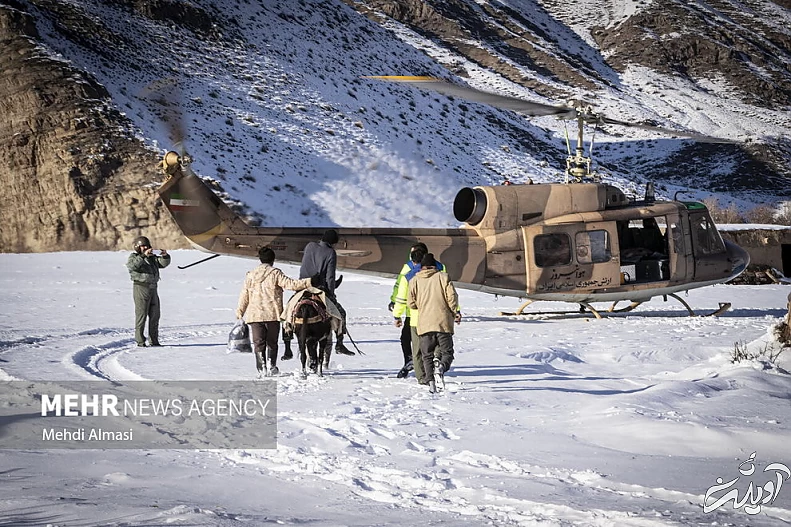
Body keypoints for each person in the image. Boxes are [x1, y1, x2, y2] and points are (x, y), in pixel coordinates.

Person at [236, 247, 314, 376]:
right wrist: (309, 282)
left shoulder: (250, 275)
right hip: (273, 314)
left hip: (255, 315)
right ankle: (272, 365)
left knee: (258, 342)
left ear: (260, 260)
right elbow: (291, 284)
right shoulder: (275, 273)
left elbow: (244, 295)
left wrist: (240, 312)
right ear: (273, 260)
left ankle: (261, 369)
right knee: (272, 342)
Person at [284, 229, 353, 361]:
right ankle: (339, 343)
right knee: (341, 314)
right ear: (333, 243)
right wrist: (331, 293)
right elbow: (330, 277)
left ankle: (287, 345)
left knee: (287, 312)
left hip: (302, 287)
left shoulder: (310, 246)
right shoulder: (330, 252)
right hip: (318, 289)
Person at [390, 242, 445, 382]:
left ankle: (421, 374)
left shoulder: (409, 271)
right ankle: (436, 362)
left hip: (413, 314)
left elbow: (401, 291)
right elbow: (448, 291)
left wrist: (396, 311)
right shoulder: (439, 267)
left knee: (415, 346)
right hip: (436, 313)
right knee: (435, 340)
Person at [408, 253, 462, 392]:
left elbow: (411, 303)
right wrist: (453, 311)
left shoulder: (414, 280)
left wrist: (420, 306)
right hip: (443, 323)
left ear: (422, 266)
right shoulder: (443, 277)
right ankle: (442, 367)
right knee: (447, 352)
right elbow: (452, 297)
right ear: (434, 265)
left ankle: (431, 382)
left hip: (424, 323)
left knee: (427, 355)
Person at [126, 235, 171, 347]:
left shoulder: (152, 258)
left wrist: (165, 256)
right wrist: (143, 256)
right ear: (137, 247)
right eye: (143, 246)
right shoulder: (134, 257)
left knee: (155, 315)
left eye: (147, 246)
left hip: (153, 288)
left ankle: (154, 340)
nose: (146, 248)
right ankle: (140, 341)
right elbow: (133, 266)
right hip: (141, 288)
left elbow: (162, 264)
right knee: (141, 316)